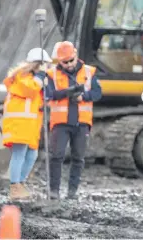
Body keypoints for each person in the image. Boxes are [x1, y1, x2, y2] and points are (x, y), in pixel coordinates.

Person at [46, 41, 102, 200]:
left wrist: (83, 96)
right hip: (60, 124)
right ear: (59, 61)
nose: (69, 64)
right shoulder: (52, 74)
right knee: (56, 156)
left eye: (71, 60)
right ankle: (54, 191)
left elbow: (97, 93)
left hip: (81, 123)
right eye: (65, 62)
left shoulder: (89, 72)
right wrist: (67, 93)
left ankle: (72, 192)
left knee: (78, 158)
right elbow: (49, 94)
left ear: (76, 55)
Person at [2, 47, 53, 201]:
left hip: (30, 124)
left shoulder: (35, 78)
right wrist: (41, 76)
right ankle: (15, 187)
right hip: (19, 123)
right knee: (19, 154)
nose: (48, 68)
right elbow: (30, 89)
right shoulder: (21, 77)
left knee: (32, 155)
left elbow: (42, 95)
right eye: (46, 65)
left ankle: (20, 184)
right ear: (38, 64)